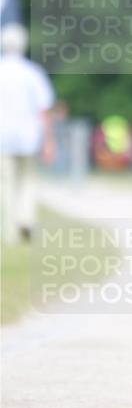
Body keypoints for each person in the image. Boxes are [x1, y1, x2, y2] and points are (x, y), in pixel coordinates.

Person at [0, 23, 55, 243]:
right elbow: (43, 110)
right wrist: (48, 141)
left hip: (2, 136)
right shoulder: (33, 73)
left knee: (5, 183)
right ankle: (25, 219)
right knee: (28, 180)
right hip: (28, 136)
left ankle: (9, 231)